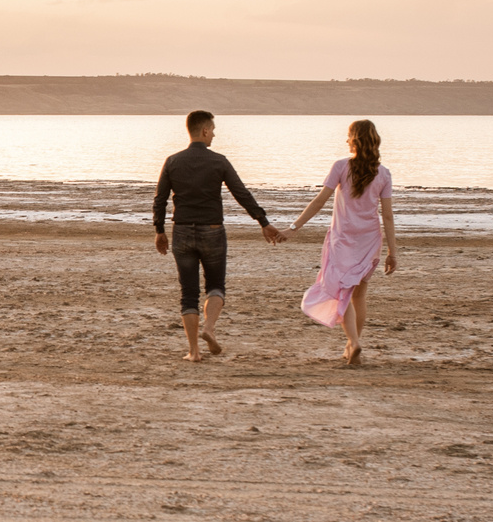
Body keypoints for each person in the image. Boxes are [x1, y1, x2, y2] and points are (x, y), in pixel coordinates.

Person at [152, 110, 284, 362]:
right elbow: (241, 193)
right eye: (212, 130)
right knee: (215, 285)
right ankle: (209, 328)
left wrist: (159, 231)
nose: (213, 134)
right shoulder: (219, 161)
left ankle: (194, 352)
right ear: (204, 130)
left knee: (188, 293)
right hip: (212, 231)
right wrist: (263, 222)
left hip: (181, 231)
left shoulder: (172, 161)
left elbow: (160, 200)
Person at [287, 118, 397, 365]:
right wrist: (393, 251)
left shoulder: (340, 166)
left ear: (355, 140)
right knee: (358, 295)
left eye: (348, 136)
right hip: (369, 241)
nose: (346, 140)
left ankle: (353, 342)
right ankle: (352, 345)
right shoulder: (383, 173)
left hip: (342, 240)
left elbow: (319, 201)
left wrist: (294, 227)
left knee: (340, 292)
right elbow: (388, 215)